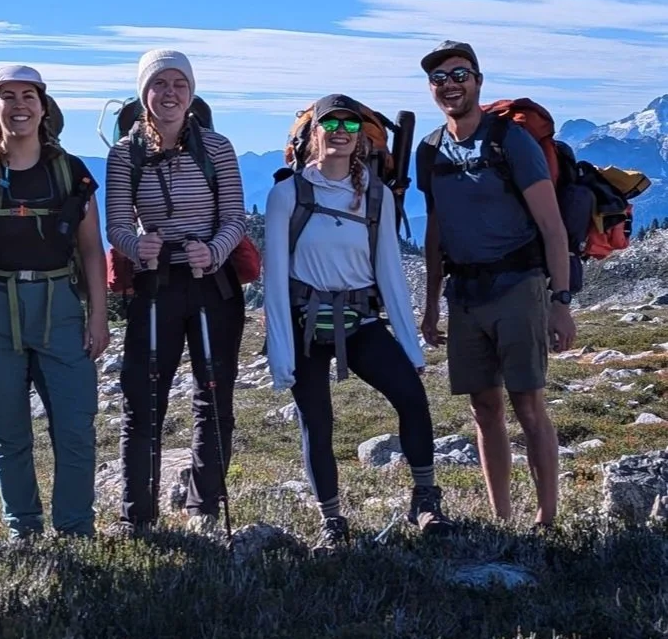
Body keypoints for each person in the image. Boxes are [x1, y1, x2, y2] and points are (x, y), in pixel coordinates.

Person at [264, 93, 451, 552]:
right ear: (313, 133)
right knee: (317, 422)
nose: (341, 134)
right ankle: (332, 519)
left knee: (411, 395)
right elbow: (273, 279)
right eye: (332, 125)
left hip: (360, 321)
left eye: (351, 127)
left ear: (362, 140)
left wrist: (410, 346)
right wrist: (281, 355)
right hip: (304, 321)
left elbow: (389, 270)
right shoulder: (286, 195)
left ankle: (425, 498)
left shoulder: (377, 196)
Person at [0, 65, 108, 540]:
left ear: (44, 107)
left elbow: (91, 248)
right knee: (7, 433)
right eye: (8, 97)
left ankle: (76, 529)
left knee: (76, 428)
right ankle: (25, 530)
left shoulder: (71, 172)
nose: (19, 105)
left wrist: (98, 316)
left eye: (28, 96)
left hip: (60, 306)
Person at [416, 40, 576, 528]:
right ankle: (502, 517)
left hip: (518, 285)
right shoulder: (428, 149)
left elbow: (552, 226)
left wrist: (561, 301)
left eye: (460, 74)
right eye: (440, 78)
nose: (450, 85)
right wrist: (430, 304)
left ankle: (547, 520)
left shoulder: (510, 140)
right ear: (431, 89)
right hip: (464, 294)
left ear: (479, 81)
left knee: (527, 402)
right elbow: (435, 230)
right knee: (484, 407)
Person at [106, 49, 246, 535]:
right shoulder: (125, 153)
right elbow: (117, 224)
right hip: (157, 284)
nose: (169, 93)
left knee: (214, 398)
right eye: (159, 84)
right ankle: (137, 514)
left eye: (178, 84)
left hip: (212, 285)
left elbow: (235, 217)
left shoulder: (218, 148)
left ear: (191, 92)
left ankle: (204, 506)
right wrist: (136, 243)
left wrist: (215, 248)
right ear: (144, 91)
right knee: (143, 400)